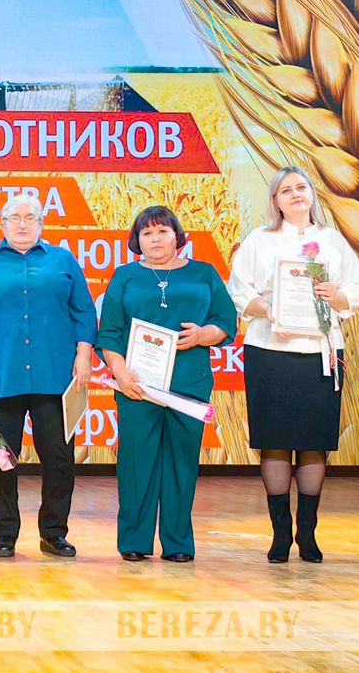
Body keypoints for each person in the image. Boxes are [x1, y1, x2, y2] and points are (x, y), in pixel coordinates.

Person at [228, 167, 359, 563]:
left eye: (301, 187)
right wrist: (270, 310)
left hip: (321, 351)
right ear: (274, 201)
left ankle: (307, 533)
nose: (295, 195)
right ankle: (280, 534)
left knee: (313, 442)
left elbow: (356, 289)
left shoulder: (333, 240)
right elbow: (239, 290)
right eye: (285, 190)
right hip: (270, 350)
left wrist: (336, 295)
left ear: (311, 195)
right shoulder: (259, 239)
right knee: (274, 440)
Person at [0, 192, 97, 559]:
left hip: (55, 375)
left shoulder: (63, 260)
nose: (22, 224)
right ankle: (5, 534)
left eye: (30, 218)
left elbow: (84, 312)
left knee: (59, 459)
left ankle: (54, 533)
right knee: (0, 459)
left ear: (41, 224)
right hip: (0, 376)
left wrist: (84, 355)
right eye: (14, 218)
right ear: (2, 225)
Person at [98, 205, 235, 562]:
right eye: (147, 233)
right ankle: (134, 541)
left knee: (181, 463)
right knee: (136, 461)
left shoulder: (203, 273)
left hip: (189, 383)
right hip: (136, 385)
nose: (155, 239)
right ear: (137, 241)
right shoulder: (124, 276)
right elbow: (109, 332)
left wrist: (205, 334)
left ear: (177, 237)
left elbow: (226, 321)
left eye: (162, 231)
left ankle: (178, 543)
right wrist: (120, 373)